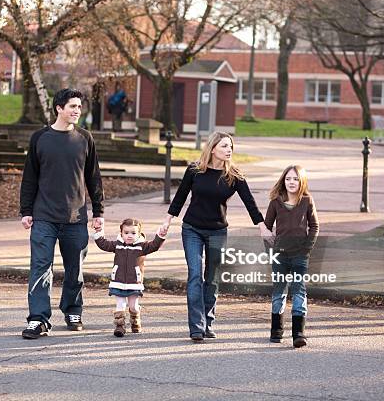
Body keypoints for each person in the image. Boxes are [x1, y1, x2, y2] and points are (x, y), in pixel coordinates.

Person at [161, 132, 271, 341]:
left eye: (230, 147)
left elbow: (250, 202)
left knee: (212, 278)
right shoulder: (195, 170)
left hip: (217, 231)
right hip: (192, 229)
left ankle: (208, 322)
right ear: (212, 149)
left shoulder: (234, 176)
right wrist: (167, 220)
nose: (229, 150)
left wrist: (262, 226)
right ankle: (196, 326)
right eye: (224, 146)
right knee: (195, 275)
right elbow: (180, 196)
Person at [19, 88, 104, 340]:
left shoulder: (85, 139)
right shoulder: (40, 138)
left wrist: (98, 211)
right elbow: (29, 178)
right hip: (44, 216)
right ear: (59, 108)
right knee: (40, 269)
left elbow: (93, 178)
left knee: (74, 269)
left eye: (79, 107)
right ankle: (38, 319)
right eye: (72, 106)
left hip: (76, 218)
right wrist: (26, 211)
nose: (77, 111)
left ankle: (73, 310)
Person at [264, 165, 319, 348]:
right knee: (279, 292)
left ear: (301, 181)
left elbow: (314, 226)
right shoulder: (276, 202)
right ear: (283, 181)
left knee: (299, 291)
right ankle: (276, 331)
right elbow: (266, 228)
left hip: (300, 255)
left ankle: (298, 333)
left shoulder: (307, 201)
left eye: (295, 179)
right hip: (280, 255)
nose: (291, 182)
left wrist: (307, 248)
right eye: (288, 179)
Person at [93, 218, 166, 337]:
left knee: (133, 306)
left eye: (133, 233)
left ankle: (135, 320)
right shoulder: (117, 245)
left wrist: (160, 236)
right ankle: (120, 326)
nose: (129, 236)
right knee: (120, 305)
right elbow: (103, 244)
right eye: (126, 233)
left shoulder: (142, 247)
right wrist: (98, 231)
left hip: (134, 283)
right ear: (121, 233)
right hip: (118, 281)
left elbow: (154, 246)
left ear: (138, 234)